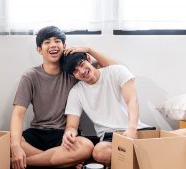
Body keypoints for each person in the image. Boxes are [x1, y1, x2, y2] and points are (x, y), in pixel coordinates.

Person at [60, 52, 186, 167]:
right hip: (112, 139)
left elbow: (132, 100)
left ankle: (138, 160)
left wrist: (132, 129)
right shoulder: (76, 92)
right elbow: (72, 125)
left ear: (89, 59)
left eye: (81, 64)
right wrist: (69, 133)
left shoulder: (116, 71)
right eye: (76, 72)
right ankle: (156, 158)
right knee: (99, 152)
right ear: (73, 76)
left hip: (139, 131)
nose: (82, 71)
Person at [10, 26, 117, 169]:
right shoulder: (30, 76)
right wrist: (16, 146)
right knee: (9, 141)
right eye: (47, 42)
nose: (53, 45)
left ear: (64, 46)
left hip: (64, 135)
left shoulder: (74, 72)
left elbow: (115, 69)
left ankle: (33, 162)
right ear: (39, 50)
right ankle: (60, 162)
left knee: (86, 146)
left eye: (57, 41)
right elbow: (18, 114)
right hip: (37, 132)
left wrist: (89, 49)